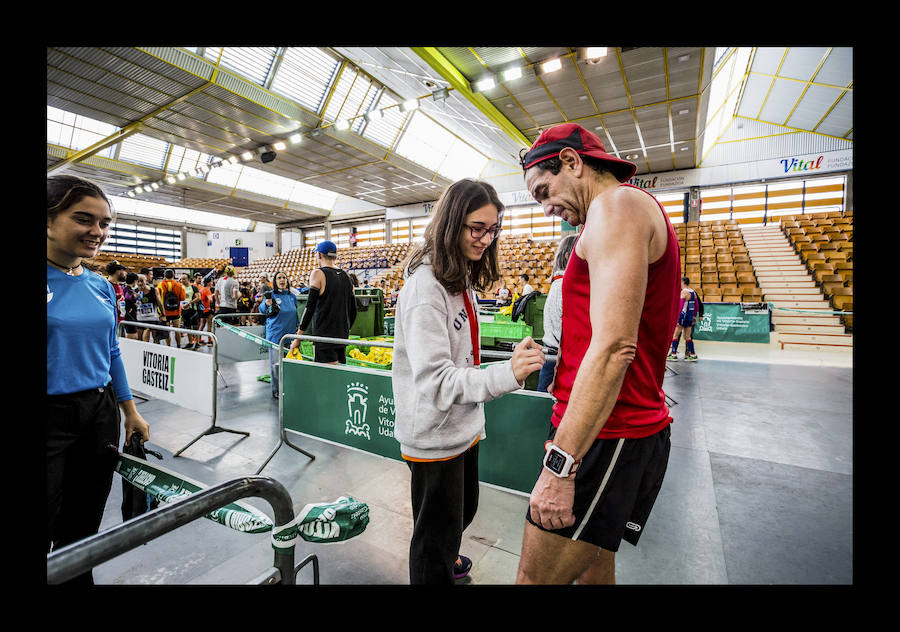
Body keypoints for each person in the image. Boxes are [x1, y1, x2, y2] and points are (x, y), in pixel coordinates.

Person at [514, 123, 680, 585]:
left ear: (572, 162)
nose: (546, 207)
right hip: (607, 429)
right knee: (593, 571)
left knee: (534, 580)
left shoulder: (616, 206)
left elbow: (612, 349)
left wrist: (560, 465)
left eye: (543, 190)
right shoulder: (609, 215)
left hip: (607, 433)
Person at [391, 178, 545, 585]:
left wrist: (503, 365)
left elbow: (463, 357)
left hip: (461, 427)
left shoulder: (457, 278)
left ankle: (446, 557)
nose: (486, 239)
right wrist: (506, 375)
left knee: (462, 512)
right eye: (477, 228)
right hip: (434, 435)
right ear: (451, 224)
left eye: (493, 230)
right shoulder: (425, 288)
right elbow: (437, 381)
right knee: (433, 539)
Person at [47, 174, 151, 584]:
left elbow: (111, 352)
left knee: (83, 524)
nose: (97, 232)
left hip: (98, 414)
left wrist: (130, 412)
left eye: (105, 223)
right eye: (84, 219)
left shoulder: (102, 287)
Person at [290, 241, 357, 365]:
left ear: (319, 255)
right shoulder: (347, 276)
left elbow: (309, 308)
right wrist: (345, 329)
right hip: (342, 336)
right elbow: (354, 310)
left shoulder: (318, 274)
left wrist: (298, 338)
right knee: (338, 375)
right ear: (335, 256)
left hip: (324, 336)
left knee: (327, 379)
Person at [536, 234, 577, 393]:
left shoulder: (558, 284)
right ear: (568, 256)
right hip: (558, 358)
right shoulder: (564, 286)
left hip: (554, 356)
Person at [258, 271, 300, 399]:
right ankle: (276, 390)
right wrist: (267, 303)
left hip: (291, 336)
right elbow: (262, 310)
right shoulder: (271, 295)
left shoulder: (292, 296)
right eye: (279, 278)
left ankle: (288, 388)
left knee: (290, 363)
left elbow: (295, 313)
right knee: (276, 365)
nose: (282, 280)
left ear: (287, 281)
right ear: (275, 281)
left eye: (284, 278)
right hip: (276, 336)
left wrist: (298, 330)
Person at [668, 276, 702, 362]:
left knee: (675, 335)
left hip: (683, 316)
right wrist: (694, 316)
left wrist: (677, 319)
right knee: (687, 336)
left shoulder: (683, 292)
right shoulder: (693, 292)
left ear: (683, 282)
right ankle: (693, 355)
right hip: (689, 317)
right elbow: (696, 306)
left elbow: (680, 307)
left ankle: (673, 354)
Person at [156, 269, 185, 347]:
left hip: (165, 312)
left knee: (167, 331)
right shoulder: (179, 285)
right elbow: (182, 298)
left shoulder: (160, 285)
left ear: (164, 276)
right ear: (174, 275)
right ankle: (179, 346)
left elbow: (157, 298)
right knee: (177, 330)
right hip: (176, 311)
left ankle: (168, 346)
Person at [135, 273, 167, 345]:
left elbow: (160, 303)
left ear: (146, 281)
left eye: (142, 281)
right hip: (140, 318)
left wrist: (163, 315)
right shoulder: (135, 291)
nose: (140, 283)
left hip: (153, 318)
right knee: (140, 339)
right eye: (138, 281)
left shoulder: (154, 290)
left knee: (156, 338)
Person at [179, 272, 201, 349]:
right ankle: (190, 342)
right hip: (184, 311)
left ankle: (197, 343)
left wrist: (189, 303)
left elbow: (198, 298)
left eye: (184, 279)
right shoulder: (181, 287)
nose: (182, 280)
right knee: (188, 327)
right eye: (181, 279)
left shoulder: (193, 287)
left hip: (193, 310)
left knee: (195, 327)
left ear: (188, 279)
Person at [122, 272, 142, 340]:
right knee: (132, 336)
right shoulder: (129, 291)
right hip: (130, 315)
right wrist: (135, 297)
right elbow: (128, 298)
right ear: (135, 281)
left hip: (126, 314)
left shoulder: (123, 288)